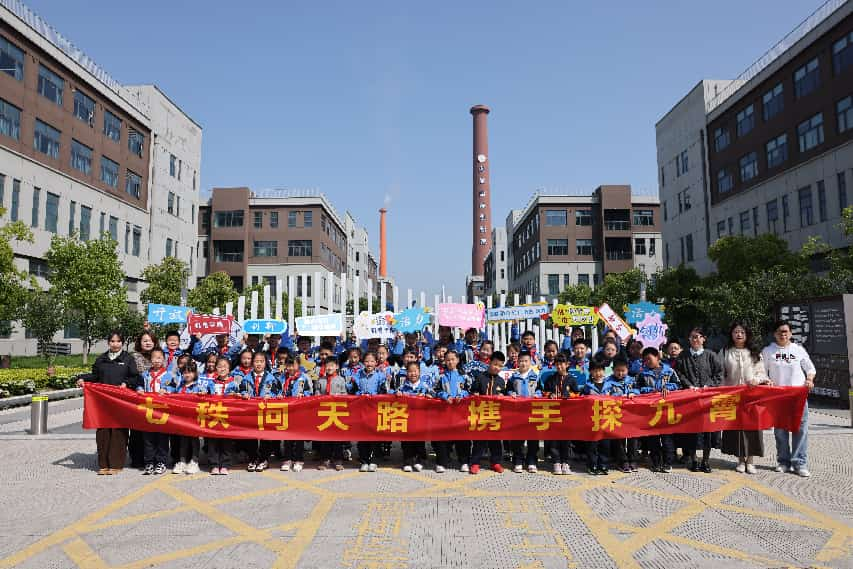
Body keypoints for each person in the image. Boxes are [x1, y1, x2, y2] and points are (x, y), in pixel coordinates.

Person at [78, 331, 140, 475]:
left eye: (118, 341)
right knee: (103, 432)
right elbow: (95, 376)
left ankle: (116, 464)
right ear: (108, 343)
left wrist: (126, 383)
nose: (115, 344)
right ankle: (103, 464)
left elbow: (135, 377)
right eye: (112, 341)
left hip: (120, 402)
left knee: (118, 432)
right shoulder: (101, 359)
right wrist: (82, 378)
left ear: (122, 343)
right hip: (103, 403)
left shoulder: (128, 358)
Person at [763, 320, 816, 478]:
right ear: (775, 334)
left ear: (791, 333)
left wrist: (809, 379)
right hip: (778, 397)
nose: (783, 334)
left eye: (785, 331)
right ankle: (783, 461)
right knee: (780, 431)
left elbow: (810, 368)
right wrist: (766, 380)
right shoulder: (768, 351)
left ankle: (800, 463)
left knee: (801, 429)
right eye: (779, 331)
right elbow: (761, 371)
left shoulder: (798, 350)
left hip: (797, 397)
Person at [720, 321, 769, 474]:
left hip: (752, 396)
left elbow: (762, 373)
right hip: (733, 396)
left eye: (742, 332)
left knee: (752, 427)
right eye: (736, 332)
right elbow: (720, 373)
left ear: (747, 334)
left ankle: (751, 461)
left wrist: (757, 380)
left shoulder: (754, 352)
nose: (739, 335)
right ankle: (740, 460)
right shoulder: (725, 351)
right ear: (731, 334)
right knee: (736, 428)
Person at [676, 327, 723, 473]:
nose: (695, 339)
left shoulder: (711, 355)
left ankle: (706, 461)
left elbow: (719, 373)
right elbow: (678, 373)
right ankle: (694, 460)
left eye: (697, 336)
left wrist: (708, 386)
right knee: (692, 430)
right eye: (692, 337)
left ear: (703, 339)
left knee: (708, 430)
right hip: (690, 398)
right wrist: (689, 385)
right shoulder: (683, 356)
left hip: (707, 399)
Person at [636, 347, 681, 473]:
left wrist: (667, 387)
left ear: (657, 357)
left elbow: (678, 385)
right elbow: (637, 388)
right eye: (645, 360)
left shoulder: (669, 371)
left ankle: (668, 463)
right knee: (652, 439)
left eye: (649, 359)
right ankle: (655, 462)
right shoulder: (642, 374)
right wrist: (651, 391)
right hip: (651, 412)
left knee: (667, 439)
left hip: (667, 411)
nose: (647, 362)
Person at [468, 351, 508, 474]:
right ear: (489, 362)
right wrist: (475, 394)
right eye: (495, 364)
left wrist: (503, 396)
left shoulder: (501, 381)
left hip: (495, 415)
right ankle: (475, 462)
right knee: (479, 441)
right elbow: (473, 391)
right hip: (481, 414)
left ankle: (496, 462)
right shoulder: (480, 377)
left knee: (496, 441)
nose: (497, 368)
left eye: (500, 366)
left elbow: (505, 396)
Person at [168, 360, 210, 474]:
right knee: (183, 440)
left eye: (190, 372)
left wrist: (204, 393)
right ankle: (182, 461)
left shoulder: (198, 386)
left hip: (194, 418)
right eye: (185, 372)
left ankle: (194, 461)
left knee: (194, 439)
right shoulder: (179, 387)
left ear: (195, 373)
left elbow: (206, 395)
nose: (187, 375)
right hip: (182, 418)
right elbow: (172, 395)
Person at [137, 348, 173, 475]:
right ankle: (149, 462)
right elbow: (139, 385)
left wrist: (167, 390)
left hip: (162, 411)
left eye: (159, 358)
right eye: (154, 358)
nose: (157, 360)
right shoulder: (145, 374)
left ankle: (161, 462)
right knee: (148, 438)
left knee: (162, 437)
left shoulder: (168, 374)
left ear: (164, 359)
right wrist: (139, 389)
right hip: (148, 410)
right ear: (150, 359)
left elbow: (173, 388)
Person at [434, 350, 471, 473]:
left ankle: (464, 461)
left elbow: (470, 390)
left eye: (452, 359)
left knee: (463, 438)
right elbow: (435, 391)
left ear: (458, 360)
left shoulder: (464, 376)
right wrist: (445, 396)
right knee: (442, 437)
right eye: (448, 360)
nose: (450, 362)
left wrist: (462, 395)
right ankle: (442, 462)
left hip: (461, 412)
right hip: (444, 412)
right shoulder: (441, 376)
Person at [542, 354, 579, 475]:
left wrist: (570, 395)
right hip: (553, 414)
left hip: (568, 415)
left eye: (562, 364)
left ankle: (566, 462)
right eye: (557, 364)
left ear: (567, 364)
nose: (559, 366)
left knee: (566, 440)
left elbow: (578, 394)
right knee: (554, 440)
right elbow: (544, 392)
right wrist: (549, 395)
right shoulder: (550, 379)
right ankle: (556, 462)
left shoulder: (572, 379)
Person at [246, 351, 282, 472]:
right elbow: (241, 390)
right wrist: (244, 394)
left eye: (261, 361)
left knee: (265, 436)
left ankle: (263, 459)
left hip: (266, 411)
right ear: (252, 363)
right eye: (256, 361)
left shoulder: (271, 378)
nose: (259, 364)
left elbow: (278, 392)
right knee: (251, 435)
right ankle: (253, 459)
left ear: (265, 363)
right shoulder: (246, 378)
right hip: (251, 411)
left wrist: (271, 396)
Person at [352, 352, 387, 472]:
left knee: (374, 436)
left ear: (376, 363)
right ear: (363, 363)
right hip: (361, 409)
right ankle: (364, 460)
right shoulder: (358, 375)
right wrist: (360, 395)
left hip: (375, 409)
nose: (369, 364)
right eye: (366, 361)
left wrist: (374, 396)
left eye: (372, 361)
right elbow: (353, 391)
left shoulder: (380, 376)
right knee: (362, 436)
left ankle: (374, 460)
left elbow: (383, 392)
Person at [506, 352, 540, 473]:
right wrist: (511, 393)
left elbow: (540, 389)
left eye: (526, 361)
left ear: (530, 362)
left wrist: (538, 394)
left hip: (532, 411)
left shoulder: (535, 376)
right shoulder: (513, 377)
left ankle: (531, 460)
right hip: (517, 412)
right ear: (517, 362)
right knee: (517, 438)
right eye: (521, 361)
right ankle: (518, 460)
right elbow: (508, 389)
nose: (523, 363)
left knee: (533, 438)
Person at [313, 356, 348, 471]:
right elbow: (317, 392)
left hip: (337, 412)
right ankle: (325, 459)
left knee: (337, 438)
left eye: (332, 365)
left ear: (337, 367)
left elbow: (345, 394)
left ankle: (338, 460)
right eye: (327, 365)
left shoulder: (341, 380)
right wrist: (318, 395)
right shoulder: (320, 380)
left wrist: (340, 396)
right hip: (325, 412)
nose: (329, 368)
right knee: (325, 438)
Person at [397, 361, 433, 472]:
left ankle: (419, 460)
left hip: (420, 418)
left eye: (415, 371)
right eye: (410, 371)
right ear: (407, 373)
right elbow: (394, 391)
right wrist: (397, 393)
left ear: (419, 372)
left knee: (419, 441)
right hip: (406, 417)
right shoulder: (403, 386)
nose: (413, 374)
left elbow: (433, 393)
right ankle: (407, 461)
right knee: (406, 441)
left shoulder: (424, 385)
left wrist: (429, 395)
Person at [606, 357, 639, 473]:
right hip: (616, 414)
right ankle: (622, 461)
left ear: (627, 369)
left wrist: (633, 392)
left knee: (632, 437)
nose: (620, 373)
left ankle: (633, 459)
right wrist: (616, 396)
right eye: (617, 370)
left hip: (631, 414)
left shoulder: (632, 380)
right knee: (619, 438)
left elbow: (639, 390)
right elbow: (605, 394)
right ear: (613, 370)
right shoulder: (608, 381)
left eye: (623, 370)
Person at [280, 357, 312, 472]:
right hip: (286, 410)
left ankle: (299, 459)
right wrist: (279, 395)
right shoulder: (282, 378)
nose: (290, 368)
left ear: (298, 365)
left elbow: (309, 392)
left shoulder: (303, 378)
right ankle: (287, 459)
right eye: (288, 365)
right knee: (287, 437)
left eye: (293, 365)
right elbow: (277, 390)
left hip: (299, 411)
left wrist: (304, 395)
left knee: (299, 437)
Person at [582, 361, 612, 475]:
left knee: (605, 444)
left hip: (606, 419)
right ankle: (592, 464)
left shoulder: (609, 385)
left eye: (600, 370)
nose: (598, 373)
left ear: (604, 371)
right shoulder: (587, 386)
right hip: (592, 419)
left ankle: (603, 464)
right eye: (595, 371)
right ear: (591, 372)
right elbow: (582, 400)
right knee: (592, 444)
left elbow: (617, 398)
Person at [208, 357, 236, 475]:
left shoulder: (234, 382)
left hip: (227, 417)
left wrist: (236, 395)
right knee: (212, 441)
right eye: (219, 366)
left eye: (225, 366)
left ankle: (225, 464)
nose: (222, 369)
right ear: (216, 368)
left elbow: (242, 395)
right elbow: (205, 395)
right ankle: (214, 464)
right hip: (214, 416)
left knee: (226, 441)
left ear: (229, 369)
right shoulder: (211, 383)